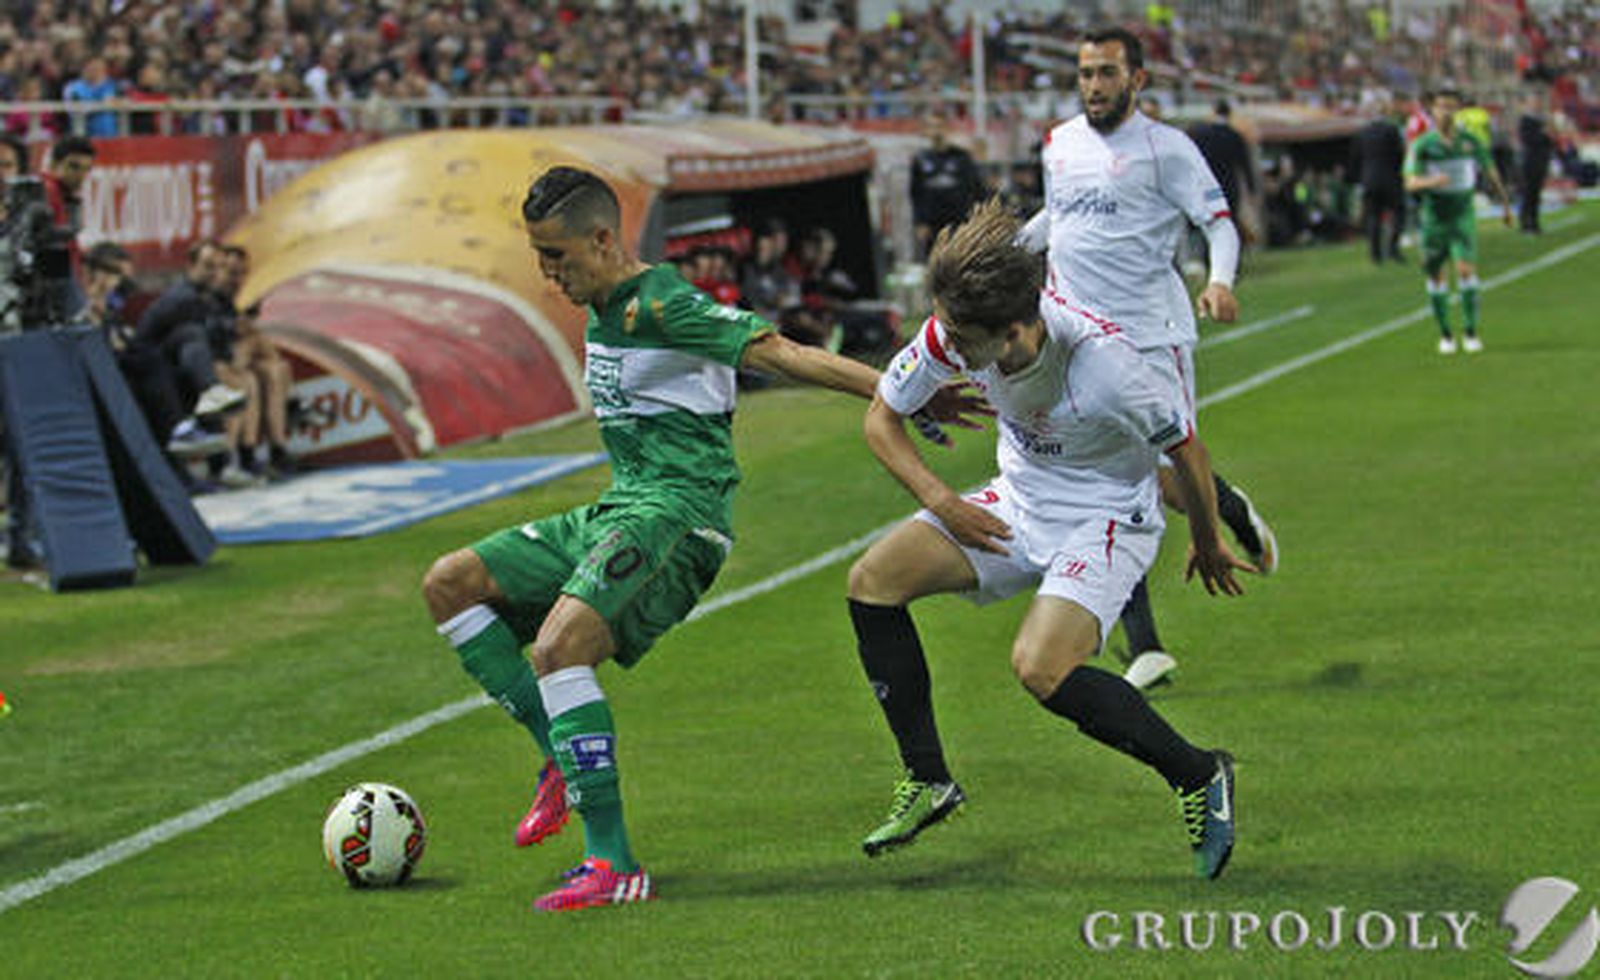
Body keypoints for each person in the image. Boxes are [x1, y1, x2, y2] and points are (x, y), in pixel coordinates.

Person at [419, 166, 984, 913]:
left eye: (556, 255)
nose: (547, 273)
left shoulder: (661, 303)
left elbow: (782, 353)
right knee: (451, 582)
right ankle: (559, 758)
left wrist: (904, 391)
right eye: (538, 255)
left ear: (600, 239)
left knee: (558, 649)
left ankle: (613, 864)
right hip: (620, 509)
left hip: (680, 517)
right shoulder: (604, 304)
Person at [846, 199, 1251, 879]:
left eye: (960, 335)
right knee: (873, 582)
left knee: (1040, 668)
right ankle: (929, 780)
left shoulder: (1109, 370)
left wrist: (1208, 540)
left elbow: (1188, 453)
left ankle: (1198, 774)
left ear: (1012, 334)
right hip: (1018, 500)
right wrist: (943, 500)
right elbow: (882, 418)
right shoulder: (956, 331)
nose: (943, 342)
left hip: (1109, 514)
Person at [1019, 27, 1277, 690]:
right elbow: (1061, 216)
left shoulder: (1169, 151)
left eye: (1107, 73)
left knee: (1166, 468)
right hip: (1071, 333)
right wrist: (1007, 249)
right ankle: (1146, 647)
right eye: (1084, 74)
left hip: (1148, 336)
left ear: (1138, 79)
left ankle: (1225, 508)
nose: (1094, 86)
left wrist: (1219, 280)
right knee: (1099, 479)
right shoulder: (1059, 142)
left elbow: (1217, 221)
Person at [1403, 87, 1514, 355]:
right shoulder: (1423, 145)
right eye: (1442, 106)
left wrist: (1505, 205)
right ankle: (1445, 334)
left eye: (1452, 107)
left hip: (1462, 216)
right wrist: (1433, 181)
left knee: (1466, 270)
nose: (1447, 112)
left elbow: (1490, 171)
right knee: (1437, 275)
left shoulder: (1470, 142)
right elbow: (1410, 182)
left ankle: (1470, 330)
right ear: (1433, 110)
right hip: (1434, 219)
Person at [910, 112, 986, 260]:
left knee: (961, 263)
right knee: (935, 265)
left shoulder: (962, 157)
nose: (936, 130)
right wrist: (919, 221)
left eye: (939, 126)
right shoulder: (920, 159)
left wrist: (976, 219)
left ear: (947, 128)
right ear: (926, 131)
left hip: (959, 221)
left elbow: (975, 189)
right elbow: (915, 193)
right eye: (931, 127)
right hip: (933, 224)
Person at [1350, 96, 1408, 263]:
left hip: (1369, 179)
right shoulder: (1392, 130)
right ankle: (1393, 248)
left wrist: (1359, 179)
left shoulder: (1362, 133)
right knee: (1399, 212)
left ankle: (1375, 254)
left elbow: (1355, 158)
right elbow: (1400, 154)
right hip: (1390, 178)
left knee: (1374, 216)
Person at [1516, 92, 1554, 235]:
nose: (1537, 105)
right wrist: (1543, 134)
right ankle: (1525, 222)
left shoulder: (1541, 120)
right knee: (1528, 192)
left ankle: (1534, 221)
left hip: (1541, 159)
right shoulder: (1526, 120)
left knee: (1536, 193)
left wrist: (1548, 136)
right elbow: (1527, 139)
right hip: (1530, 160)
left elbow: (1549, 142)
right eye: (1534, 102)